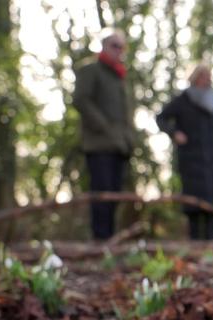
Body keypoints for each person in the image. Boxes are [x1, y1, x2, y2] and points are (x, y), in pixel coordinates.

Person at [156, 64, 213, 240]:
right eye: (205, 76)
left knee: (212, 207)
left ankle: (211, 244)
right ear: (196, 77)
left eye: (209, 76)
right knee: (194, 207)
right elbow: (161, 118)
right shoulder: (183, 100)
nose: (208, 79)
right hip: (192, 162)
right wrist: (174, 132)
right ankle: (195, 244)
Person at [73, 30, 135, 240]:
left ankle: (110, 239)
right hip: (98, 145)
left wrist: (128, 140)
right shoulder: (90, 70)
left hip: (119, 146)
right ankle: (100, 240)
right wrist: (104, 126)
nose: (118, 50)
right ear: (104, 46)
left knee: (114, 195)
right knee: (101, 194)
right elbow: (81, 100)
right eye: (114, 45)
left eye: (121, 46)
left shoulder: (119, 77)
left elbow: (124, 115)